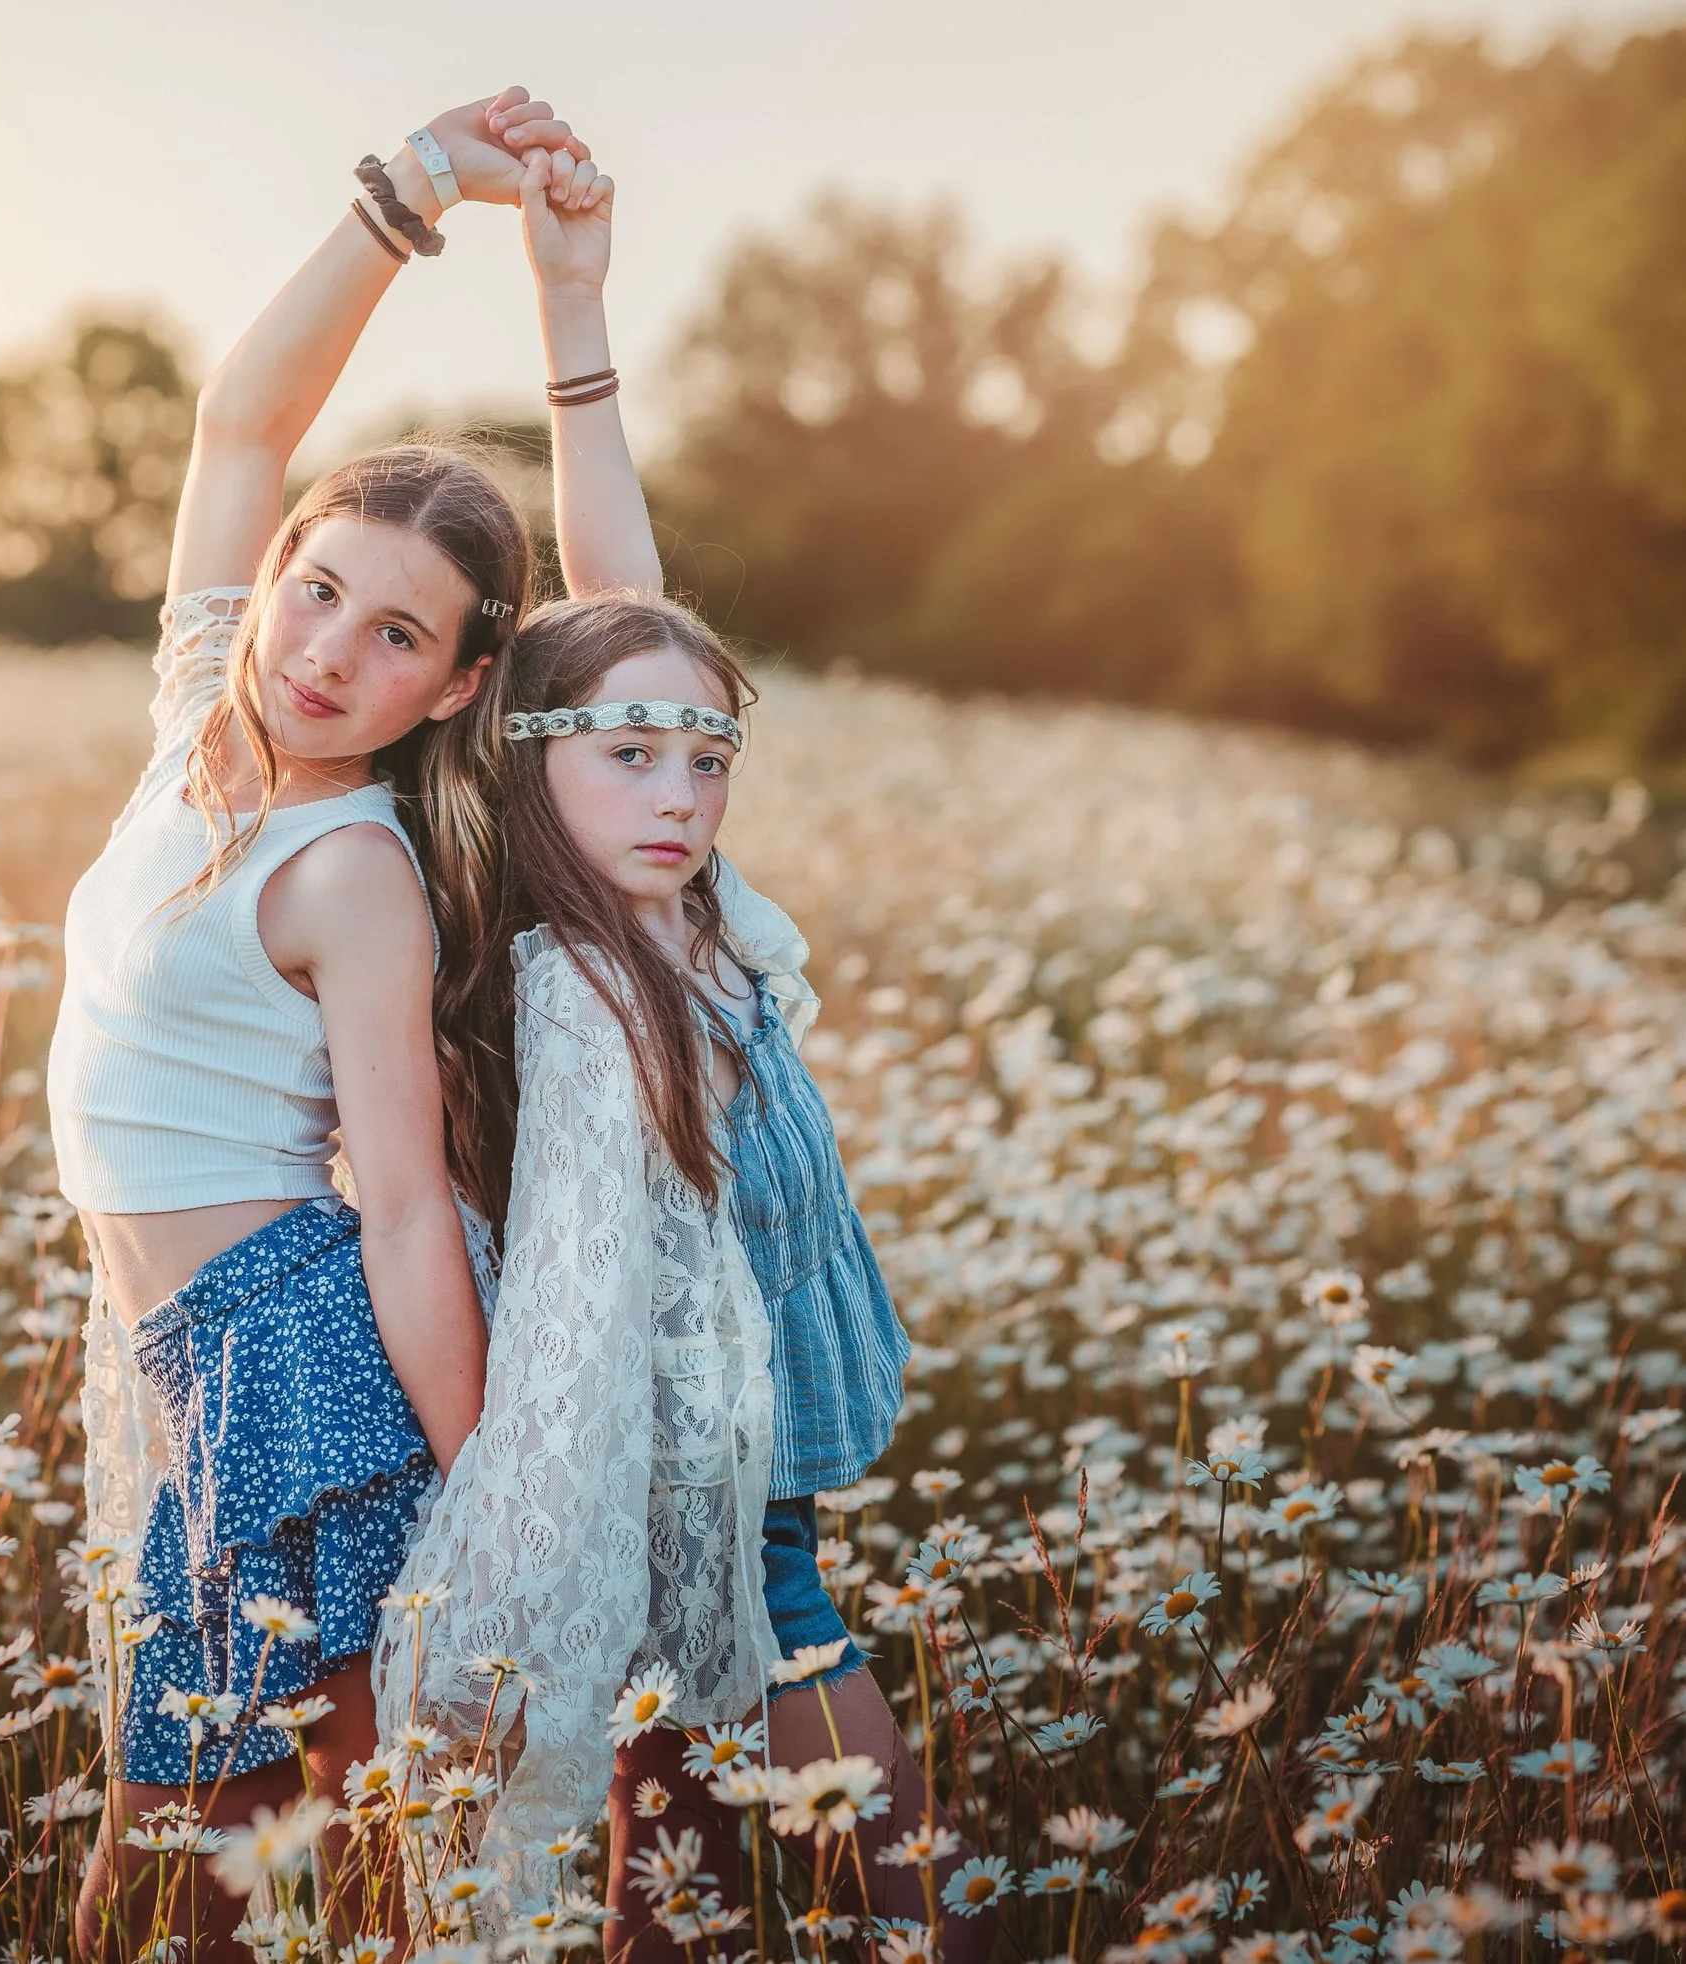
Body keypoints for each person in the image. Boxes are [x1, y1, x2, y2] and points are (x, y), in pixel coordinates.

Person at [376, 150, 987, 1964]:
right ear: (536, 754)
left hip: (762, 1382)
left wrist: (579, 324)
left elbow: (622, 616)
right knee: (778, 1723)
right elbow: (581, 1275)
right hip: (694, 1419)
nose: (680, 790)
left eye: (709, 754)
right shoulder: (573, 977)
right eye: (634, 756)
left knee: (687, 1788)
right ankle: (919, 1928)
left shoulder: (683, 898)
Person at [47, 90, 603, 1960]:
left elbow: (403, 1208)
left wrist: (494, 1499)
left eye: (394, 640)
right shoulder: (202, 724)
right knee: (224, 1882)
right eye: (321, 592)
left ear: (455, 688)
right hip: (207, 1376)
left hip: (294, 1381)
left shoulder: (353, 872)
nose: (327, 652)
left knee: (232, 1884)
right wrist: (412, 190)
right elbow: (242, 421)